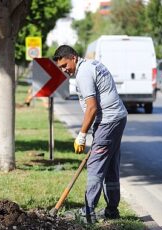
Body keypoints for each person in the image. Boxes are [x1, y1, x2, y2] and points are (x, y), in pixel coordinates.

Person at [53, 45, 127, 223]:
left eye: (65, 65)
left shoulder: (83, 73)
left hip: (108, 121)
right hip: (118, 118)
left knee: (95, 166)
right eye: (61, 68)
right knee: (110, 165)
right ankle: (111, 210)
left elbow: (92, 107)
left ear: (73, 57)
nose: (64, 70)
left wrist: (82, 134)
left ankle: (88, 213)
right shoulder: (93, 64)